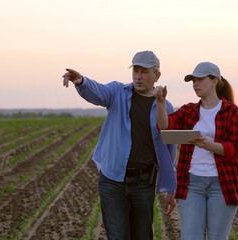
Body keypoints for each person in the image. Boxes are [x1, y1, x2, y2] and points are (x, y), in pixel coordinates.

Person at [62, 50, 177, 240]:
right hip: (112, 181)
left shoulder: (165, 106)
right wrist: (80, 80)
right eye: (135, 71)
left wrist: (171, 188)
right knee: (117, 236)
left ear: (157, 75)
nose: (138, 76)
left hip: (143, 181)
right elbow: (98, 91)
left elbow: (169, 149)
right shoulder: (117, 93)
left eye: (144, 71)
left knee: (142, 236)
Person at [154, 62, 238, 240]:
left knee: (217, 237)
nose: (195, 84)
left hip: (222, 184)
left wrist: (207, 144)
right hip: (191, 184)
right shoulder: (189, 110)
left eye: (200, 79)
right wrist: (160, 103)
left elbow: (234, 148)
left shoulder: (231, 112)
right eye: (193, 80)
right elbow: (164, 126)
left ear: (214, 81)